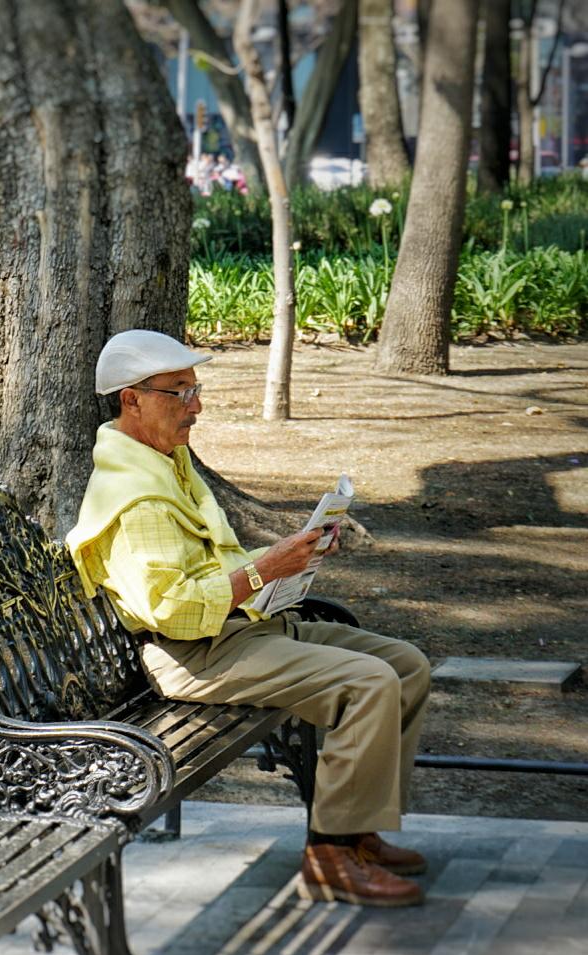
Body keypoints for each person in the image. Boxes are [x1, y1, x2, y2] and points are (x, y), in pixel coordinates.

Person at [65, 329, 432, 908]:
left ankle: (357, 829)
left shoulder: (167, 461)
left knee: (404, 665)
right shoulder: (136, 499)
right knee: (367, 682)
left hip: (239, 630)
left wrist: (287, 563)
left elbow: (216, 564)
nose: (197, 407)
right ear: (131, 399)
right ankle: (330, 856)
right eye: (179, 394)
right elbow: (174, 612)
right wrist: (263, 575)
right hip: (195, 655)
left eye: (194, 389)